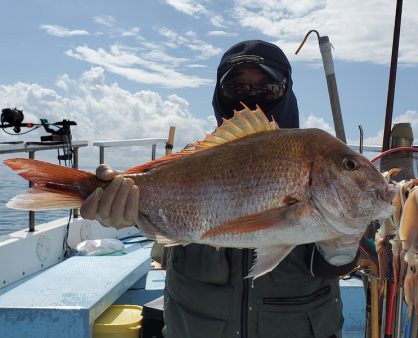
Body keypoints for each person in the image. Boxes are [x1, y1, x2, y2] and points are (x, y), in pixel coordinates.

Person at [81, 40, 360, 338]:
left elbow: (343, 263)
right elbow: (162, 237)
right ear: (219, 96)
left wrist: (345, 245)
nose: (252, 99)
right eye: (236, 90)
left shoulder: (319, 158)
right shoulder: (191, 163)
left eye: (267, 89)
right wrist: (128, 211)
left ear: (286, 91)